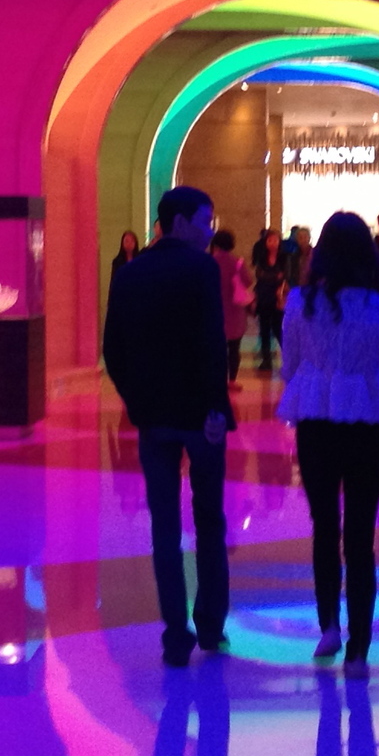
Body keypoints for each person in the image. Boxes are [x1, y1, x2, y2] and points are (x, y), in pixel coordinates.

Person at [103, 186, 233, 667]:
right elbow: (211, 344)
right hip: (200, 417)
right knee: (209, 521)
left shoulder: (130, 273)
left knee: (164, 527)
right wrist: (216, 408)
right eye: (205, 220)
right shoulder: (201, 269)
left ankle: (175, 632)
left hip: (153, 417)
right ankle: (211, 623)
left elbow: (113, 347)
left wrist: (136, 400)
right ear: (179, 222)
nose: (209, 230)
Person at [279, 212, 379, 669]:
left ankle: (328, 625)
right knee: (361, 533)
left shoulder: (300, 303)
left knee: (324, 527)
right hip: (367, 419)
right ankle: (360, 645)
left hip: (316, 419)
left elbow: (290, 366)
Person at [210, 227, 248, 385]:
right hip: (235, 310)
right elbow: (247, 281)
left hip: (215, 310)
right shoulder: (237, 262)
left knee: (217, 348)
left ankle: (218, 379)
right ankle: (232, 380)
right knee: (234, 348)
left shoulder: (210, 261)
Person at [248, 228, 286, 371]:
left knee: (278, 328)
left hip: (278, 298)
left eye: (275, 240)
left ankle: (288, 357)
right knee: (264, 330)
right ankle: (266, 360)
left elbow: (284, 276)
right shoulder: (261, 259)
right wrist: (275, 277)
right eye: (270, 240)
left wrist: (276, 279)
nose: (273, 243)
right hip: (264, 297)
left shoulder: (284, 258)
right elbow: (260, 275)